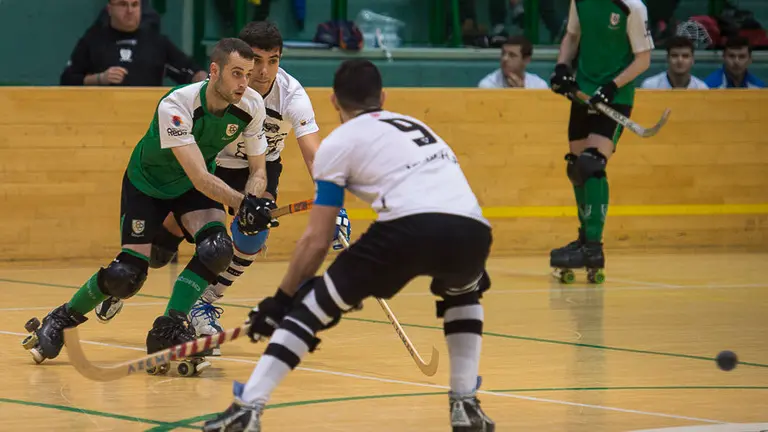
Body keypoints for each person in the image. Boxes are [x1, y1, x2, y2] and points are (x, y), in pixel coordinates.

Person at [203, 59, 495, 432]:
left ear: (333, 101)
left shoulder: (337, 142)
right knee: (463, 295)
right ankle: (465, 404)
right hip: (473, 230)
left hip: (407, 229)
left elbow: (316, 239)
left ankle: (248, 408)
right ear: (383, 97)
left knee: (311, 308)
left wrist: (282, 300)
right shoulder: (418, 127)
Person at [92, 22, 351, 356]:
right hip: (213, 163)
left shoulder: (292, 96)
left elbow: (313, 152)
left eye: (273, 61)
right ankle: (119, 281)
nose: (263, 71)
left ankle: (204, 303)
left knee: (253, 232)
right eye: (256, 60)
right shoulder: (226, 85)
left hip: (260, 165)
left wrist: (333, 205)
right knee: (160, 250)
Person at [23, 38, 277, 376]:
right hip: (149, 185)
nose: (244, 83)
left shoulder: (251, 105)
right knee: (126, 275)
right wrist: (243, 202)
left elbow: (259, 170)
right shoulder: (176, 104)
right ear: (214, 71)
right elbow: (201, 177)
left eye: (247, 74)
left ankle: (169, 326)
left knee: (218, 249)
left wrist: (255, 200)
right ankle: (61, 318)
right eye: (236, 74)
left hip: (190, 187)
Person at [549, 0, 653, 282]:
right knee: (576, 167)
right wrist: (562, 66)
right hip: (583, 93)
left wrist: (612, 86)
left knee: (592, 163)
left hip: (615, 99)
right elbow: (573, 36)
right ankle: (584, 240)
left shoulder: (632, 6)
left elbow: (643, 58)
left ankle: (594, 247)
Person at [60, 0, 207, 87]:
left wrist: (203, 80)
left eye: (135, 4)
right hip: (100, 119)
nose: (130, 11)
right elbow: (67, 80)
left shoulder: (157, 42)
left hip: (146, 117)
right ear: (110, 9)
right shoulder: (92, 40)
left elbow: (190, 70)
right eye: (123, 4)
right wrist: (99, 79)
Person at [478, 35, 549, 89]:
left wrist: (522, 94)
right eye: (503, 53)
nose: (505, 59)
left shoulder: (539, 86)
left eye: (512, 55)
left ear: (526, 60)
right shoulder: (488, 86)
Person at [641, 36, 708, 89]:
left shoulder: (701, 88)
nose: (680, 60)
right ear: (667, 58)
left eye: (685, 56)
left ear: (692, 60)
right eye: (674, 56)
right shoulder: (650, 86)